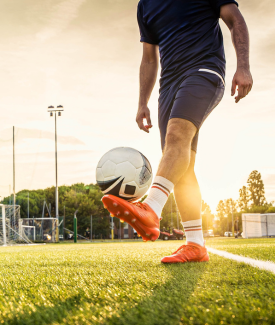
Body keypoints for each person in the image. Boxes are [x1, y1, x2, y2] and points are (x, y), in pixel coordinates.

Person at [102, 0, 252, 263]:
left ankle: (151, 209)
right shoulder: (145, 5)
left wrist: (243, 66)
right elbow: (149, 58)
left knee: (176, 136)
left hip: (204, 70)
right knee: (181, 164)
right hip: (168, 85)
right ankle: (195, 245)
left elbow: (234, 20)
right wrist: (141, 102)